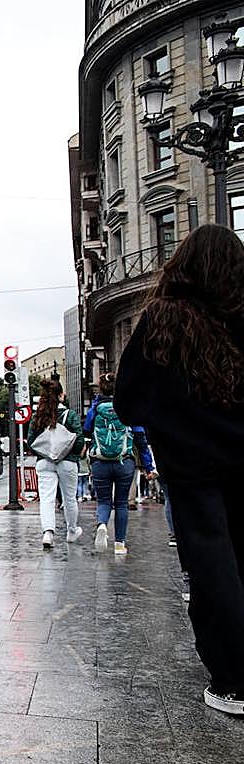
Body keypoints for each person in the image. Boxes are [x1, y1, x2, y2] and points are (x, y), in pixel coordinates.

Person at [116, 223, 244, 717]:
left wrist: (173, 419)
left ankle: (234, 678)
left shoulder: (165, 319)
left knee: (214, 568)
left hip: (193, 470)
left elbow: (129, 402)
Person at [83, 373, 154, 555]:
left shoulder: (97, 408)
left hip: (100, 461)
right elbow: (140, 438)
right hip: (125, 462)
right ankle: (120, 544)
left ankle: (102, 525)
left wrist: (96, 402)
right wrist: (148, 466)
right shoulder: (127, 408)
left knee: (104, 501)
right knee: (121, 503)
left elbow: (87, 428)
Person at [27, 379, 83, 549]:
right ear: (60, 395)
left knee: (46, 499)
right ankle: (72, 530)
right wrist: (70, 453)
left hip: (44, 462)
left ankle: (48, 533)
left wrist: (45, 453)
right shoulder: (70, 415)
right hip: (67, 462)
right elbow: (79, 439)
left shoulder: (38, 416)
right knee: (69, 498)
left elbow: (31, 441)